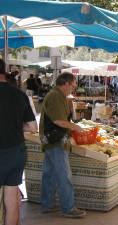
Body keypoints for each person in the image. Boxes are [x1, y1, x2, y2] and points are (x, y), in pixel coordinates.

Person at [39, 72, 86, 218]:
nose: (74, 88)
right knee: (64, 175)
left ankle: (47, 204)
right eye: (73, 85)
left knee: (50, 174)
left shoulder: (57, 95)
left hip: (52, 141)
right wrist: (75, 127)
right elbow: (58, 121)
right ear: (65, 83)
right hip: (56, 141)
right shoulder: (55, 96)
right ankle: (68, 208)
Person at [0, 59, 37, 225]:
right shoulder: (20, 94)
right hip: (16, 152)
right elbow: (32, 126)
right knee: (12, 195)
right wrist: (14, 126)